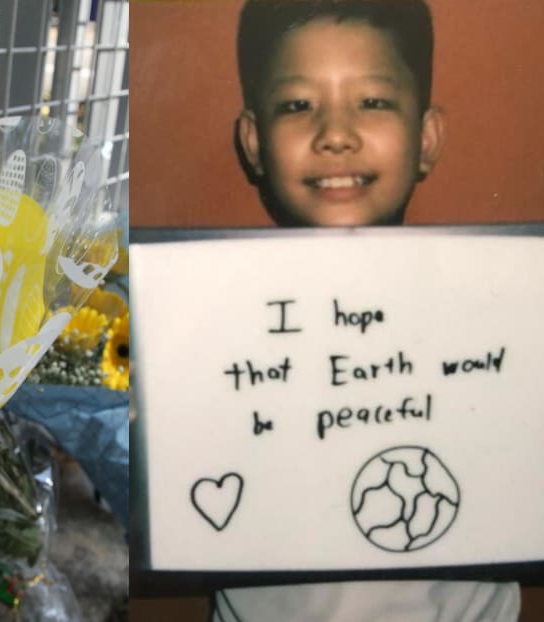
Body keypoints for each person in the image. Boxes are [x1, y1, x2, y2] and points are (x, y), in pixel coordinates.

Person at [214, 1, 521, 620]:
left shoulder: (504, 313)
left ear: (426, 138)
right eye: (298, 104)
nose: (335, 133)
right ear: (254, 142)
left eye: (373, 102)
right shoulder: (205, 325)